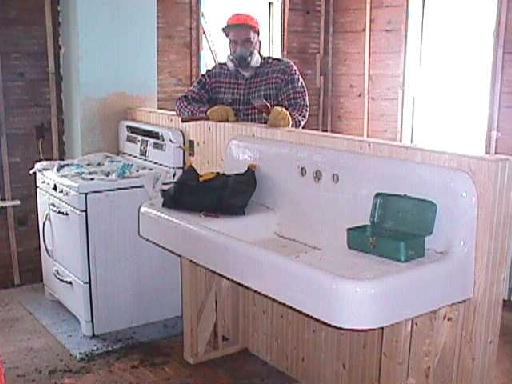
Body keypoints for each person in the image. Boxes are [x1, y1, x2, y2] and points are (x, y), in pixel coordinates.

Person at [176, 13, 309, 128]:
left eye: (247, 42)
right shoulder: (215, 76)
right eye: (234, 42)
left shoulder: (283, 72)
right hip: (227, 151)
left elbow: (300, 108)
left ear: (259, 44)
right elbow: (183, 104)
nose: (239, 49)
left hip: (269, 152)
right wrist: (207, 113)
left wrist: (288, 119)